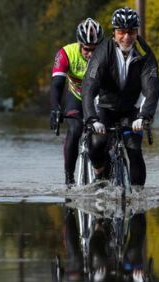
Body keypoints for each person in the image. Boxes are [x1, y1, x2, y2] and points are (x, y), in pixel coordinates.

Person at [81, 7, 159, 186]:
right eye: (121, 32)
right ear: (114, 32)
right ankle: (100, 173)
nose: (126, 37)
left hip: (131, 110)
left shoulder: (145, 54)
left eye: (131, 32)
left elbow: (152, 88)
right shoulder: (102, 51)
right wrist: (92, 119)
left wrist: (144, 115)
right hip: (105, 107)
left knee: (134, 150)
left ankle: (138, 202)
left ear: (137, 32)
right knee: (98, 142)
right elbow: (89, 87)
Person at [50, 18, 104, 186]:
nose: (91, 54)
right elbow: (57, 84)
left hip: (99, 97)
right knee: (75, 130)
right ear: (80, 44)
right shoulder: (66, 53)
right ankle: (69, 179)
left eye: (95, 50)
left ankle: (104, 171)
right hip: (77, 97)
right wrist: (55, 108)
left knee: (105, 135)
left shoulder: (108, 53)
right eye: (87, 49)